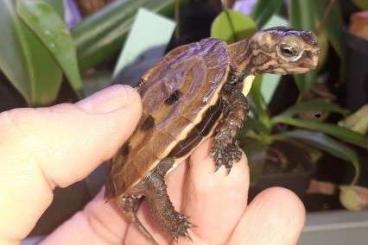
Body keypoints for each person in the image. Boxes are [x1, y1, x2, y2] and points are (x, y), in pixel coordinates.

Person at [0, 85, 305, 245]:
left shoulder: (233, 94)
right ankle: (174, 224)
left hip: (145, 162)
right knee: (154, 181)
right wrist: (172, 222)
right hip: (143, 169)